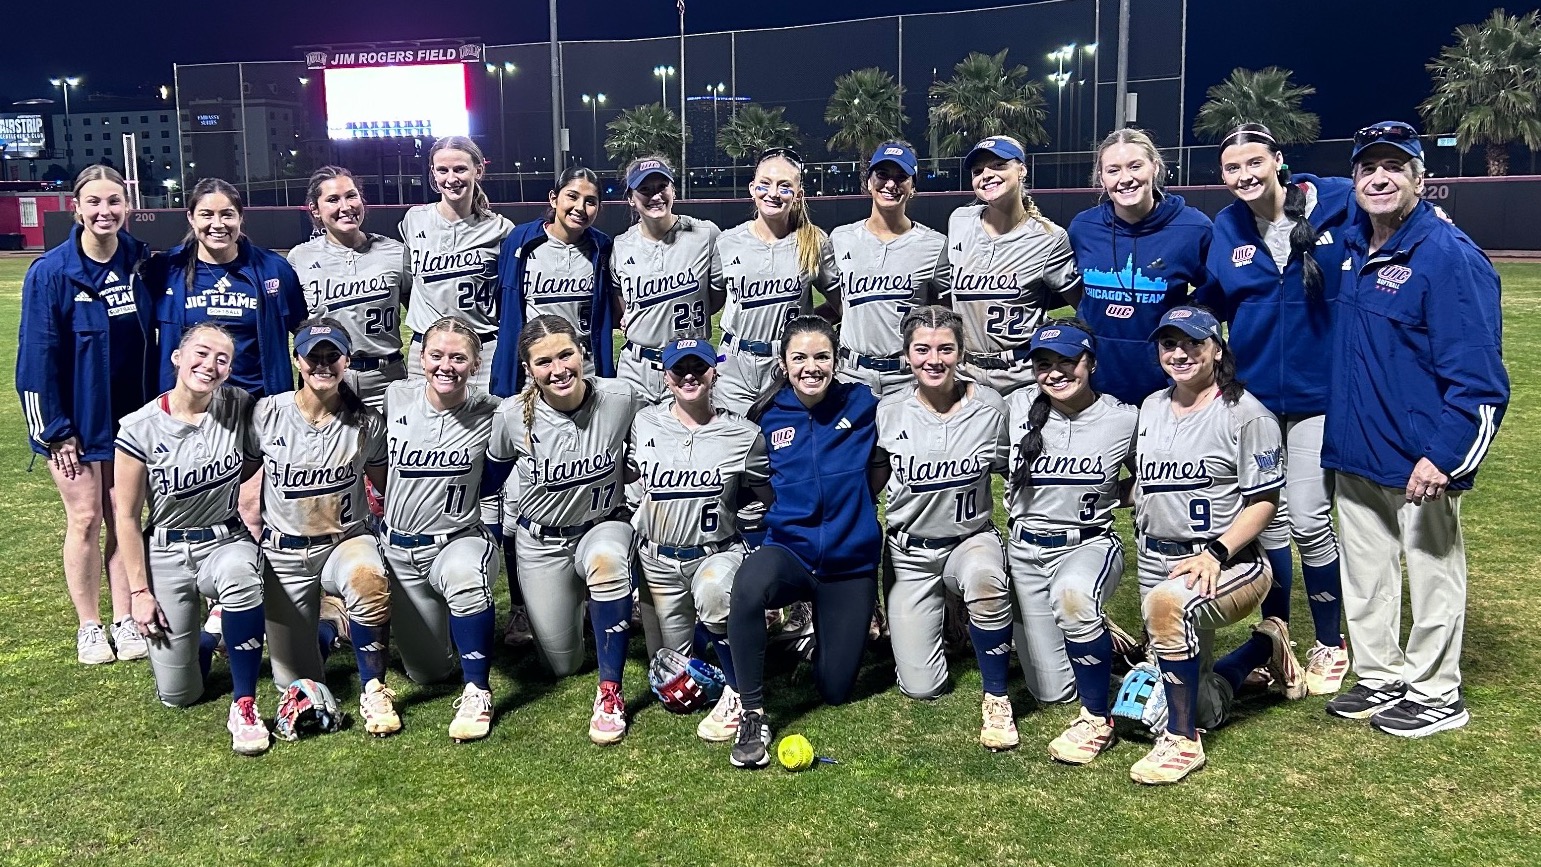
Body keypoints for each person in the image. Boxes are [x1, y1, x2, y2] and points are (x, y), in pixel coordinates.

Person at [1321, 122, 1508, 736]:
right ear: (1353, 180)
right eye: (1368, 167)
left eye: (1395, 168)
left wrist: (1446, 459)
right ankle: (1380, 676)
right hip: (1355, 453)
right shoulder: (1352, 244)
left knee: (1432, 573)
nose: (1380, 178)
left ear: (1420, 179)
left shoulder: (1449, 257)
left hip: (1418, 460)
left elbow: (1481, 385)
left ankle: (1436, 692)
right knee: (1366, 573)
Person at [1202, 123, 1355, 695]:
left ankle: (1330, 642)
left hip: (1319, 395)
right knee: (1266, 524)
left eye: (1253, 163)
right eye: (1232, 169)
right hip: (1256, 396)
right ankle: (1276, 633)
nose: (1244, 176)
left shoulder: (1335, 203)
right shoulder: (1228, 225)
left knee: (1310, 519)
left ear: (1278, 161)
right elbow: (1214, 295)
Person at [1129, 306, 1286, 784]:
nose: (1180, 354)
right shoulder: (1152, 406)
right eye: (1169, 344)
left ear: (1217, 350)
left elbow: (1264, 502)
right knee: (1166, 704)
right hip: (1155, 556)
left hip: (1227, 560)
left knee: (1165, 611)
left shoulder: (1247, 414)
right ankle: (1261, 649)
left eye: (1193, 343)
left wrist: (1216, 551)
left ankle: (1183, 742)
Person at [726, 316, 881, 769]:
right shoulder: (766, 415)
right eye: (799, 357)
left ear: (838, 359)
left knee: (834, 691)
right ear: (783, 363)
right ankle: (752, 712)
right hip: (790, 552)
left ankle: (805, 640)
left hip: (849, 563)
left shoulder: (863, 403)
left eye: (821, 357)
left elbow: (881, 468)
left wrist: (852, 510)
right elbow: (757, 484)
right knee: (750, 585)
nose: (811, 367)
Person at [17, 165, 156, 665]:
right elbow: (36, 357)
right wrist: (54, 432)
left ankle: (125, 618)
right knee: (84, 517)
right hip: (75, 424)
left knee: (126, 518)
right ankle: (90, 627)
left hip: (130, 422)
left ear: (127, 206)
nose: (105, 212)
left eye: (114, 201)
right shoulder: (51, 272)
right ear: (76, 207)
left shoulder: (140, 261)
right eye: (94, 202)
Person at [487, 315, 644, 745]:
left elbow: (656, 440)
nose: (558, 369)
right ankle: (591, 611)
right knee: (562, 666)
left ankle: (610, 689)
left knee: (607, 560)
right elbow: (490, 477)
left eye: (565, 354)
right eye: (543, 362)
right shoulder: (512, 416)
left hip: (602, 525)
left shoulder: (620, 396)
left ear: (583, 353)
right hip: (541, 542)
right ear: (528, 370)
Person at [113, 323, 269, 756]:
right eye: (201, 353)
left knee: (241, 574)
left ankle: (244, 702)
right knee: (179, 695)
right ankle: (209, 634)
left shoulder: (238, 405)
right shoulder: (139, 427)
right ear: (177, 357)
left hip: (224, 539)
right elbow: (125, 517)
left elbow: (260, 454)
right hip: (165, 549)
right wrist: (138, 592)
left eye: (223, 359)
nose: (211, 365)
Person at [872, 306, 1019, 749]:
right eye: (922, 349)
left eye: (945, 349)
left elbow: (1012, 472)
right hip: (909, 552)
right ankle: (953, 621)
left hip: (968, 540)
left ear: (961, 353)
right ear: (906, 355)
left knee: (984, 578)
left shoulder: (990, 407)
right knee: (922, 686)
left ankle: (996, 698)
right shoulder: (888, 411)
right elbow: (873, 477)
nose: (933, 359)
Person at [253, 319, 399, 735]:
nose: (322, 364)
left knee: (366, 576)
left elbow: (387, 482)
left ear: (346, 360)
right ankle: (330, 625)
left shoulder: (365, 421)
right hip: (285, 552)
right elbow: (240, 475)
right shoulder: (266, 414)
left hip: (344, 541)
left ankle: (374, 687)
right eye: (312, 356)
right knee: (296, 680)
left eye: (331, 356)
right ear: (297, 360)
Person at [1005, 319, 1138, 765]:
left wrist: (1119, 495)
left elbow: (1150, 478)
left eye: (1068, 361)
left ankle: (1099, 719)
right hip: (1024, 551)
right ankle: (1105, 641)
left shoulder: (1123, 418)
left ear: (1091, 363)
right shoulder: (1016, 407)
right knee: (1052, 692)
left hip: (1087, 544)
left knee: (1074, 598)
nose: (1056, 373)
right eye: (1044, 364)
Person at [628, 338, 771, 742]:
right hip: (657, 560)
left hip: (715, 552)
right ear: (666, 376)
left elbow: (766, 497)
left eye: (699, 367)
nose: (689, 375)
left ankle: (740, 692)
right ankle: (743, 640)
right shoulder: (645, 424)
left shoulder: (744, 434)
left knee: (712, 594)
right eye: (679, 369)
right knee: (673, 674)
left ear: (714, 372)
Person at [147, 178, 307, 536]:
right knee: (190, 508)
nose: (217, 224)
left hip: (255, 411)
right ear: (190, 217)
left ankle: (247, 590)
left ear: (240, 218)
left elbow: (303, 331)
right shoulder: (166, 270)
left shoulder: (273, 270)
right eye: (206, 214)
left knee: (250, 510)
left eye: (227, 214)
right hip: (190, 413)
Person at [378, 316, 504, 742]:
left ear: (475, 362)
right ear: (420, 357)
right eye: (436, 355)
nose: (445, 366)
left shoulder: (492, 411)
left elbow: (498, 473)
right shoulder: (396, 396)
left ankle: (477, 689)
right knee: (427, 672)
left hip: (457, 540)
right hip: (398, 548)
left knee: (466, 575)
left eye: (458, 357)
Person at [1067, 128, 1217, 406]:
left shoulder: (1193, 228)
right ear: (1101, 177)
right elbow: (1069, 286)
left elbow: (1215, 294)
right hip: (1094, 385)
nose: (1125, 179)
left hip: (1165, 386)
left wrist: (1183, 331)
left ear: (1155, 167)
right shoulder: (1083, 227)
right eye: (1113, 170)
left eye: (1135, 166)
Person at [946, 136, 1081, 396]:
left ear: (1021, 170)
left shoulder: (1048, 237)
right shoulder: (959, 221)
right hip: (966, 374)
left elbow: (1082, 305)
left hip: (1022, 375)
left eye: (998, 165)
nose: (986, 175)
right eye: (978, 171)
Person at [714, 147, 841, 415]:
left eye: (785, 186)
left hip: (787, 364)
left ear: (798, 195)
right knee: (733, 443)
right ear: (752, 188)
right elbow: (707, 301)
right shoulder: (727, 241)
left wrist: (809, 325)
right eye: (765, 184)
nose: (773, 193)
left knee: (783, 445)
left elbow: (843, 305)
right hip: (735, 362)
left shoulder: (814, 241)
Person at [831, 142, 951, 399]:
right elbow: (835, 298)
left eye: (901, 177)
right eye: (882, 175)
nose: (890, 184)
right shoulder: (841, 238)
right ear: (868, 181)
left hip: (907, 377)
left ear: (913, 187)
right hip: (850, 373)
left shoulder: (935, 245)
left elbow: (947, 309)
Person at [287, 166, 411, 411]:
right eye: (333, 199)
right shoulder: (299, 258)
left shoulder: (395, 252)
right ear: (315, 209)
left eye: (351, 196)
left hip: (387, 378)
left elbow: (419, 311)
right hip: (328, 377)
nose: (345, 207)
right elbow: (295, 325)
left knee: (390, 449)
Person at [489, 166, 617, 393]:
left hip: (583, 369)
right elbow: (505, 303)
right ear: (553, 198)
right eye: (572, 196)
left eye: (590, 201)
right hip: (534, 373)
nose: (580, 208)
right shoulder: (521, 239)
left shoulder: (602, 247)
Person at [400, 136, 514, 393]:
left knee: (484, 429)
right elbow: (408, 286)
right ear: (433, 173)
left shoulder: (500, 229)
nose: (451, 178)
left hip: (481, 350)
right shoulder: (415, 220)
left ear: (479, 170)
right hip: (427, 350)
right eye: (442, 170)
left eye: (460, 169)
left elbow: (508, 294)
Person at [610, 155, 723, 402]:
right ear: (631, 198)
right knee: (636, 439)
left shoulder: (705, 234)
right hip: (637, 369)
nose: (656, 196)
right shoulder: (621, 245)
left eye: (662, 187)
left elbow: (715, 299)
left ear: (673, 190)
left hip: (689, 366)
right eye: (645, 189)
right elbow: (622, 303)